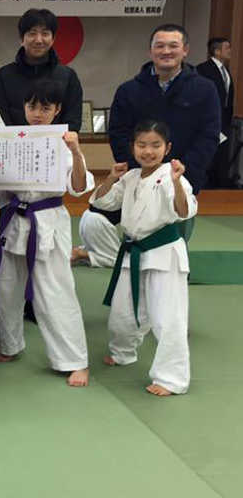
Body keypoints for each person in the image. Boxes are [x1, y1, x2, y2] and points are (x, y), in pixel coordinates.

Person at [0, 80, 93, 387]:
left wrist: (76, 151)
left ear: (57, 110)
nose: (37, 113)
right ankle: (10, 345)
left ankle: (75, 360)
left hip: (48, 221)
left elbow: (78, 187)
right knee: (7, 288)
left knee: (55, 291)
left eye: (45, 108)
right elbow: (1, 191)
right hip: (15, 220)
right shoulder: (11, 140)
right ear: (24, 107)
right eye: (32, 106)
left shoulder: (64, 143)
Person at [90, 120, 197, 396]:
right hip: (134, 251)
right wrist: (111, 177)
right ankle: (123, 352)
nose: (148, 151)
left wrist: (177, 183)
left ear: (167, 148)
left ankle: (171, 378)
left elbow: (183, 211)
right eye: (142, 145)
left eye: (155, 145)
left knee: (167, 318)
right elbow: (101, 202)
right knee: (122, 312)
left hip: (164, 253)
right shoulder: (130, 177)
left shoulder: (171, 176)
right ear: (133, 147)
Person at [108, 23, 220, 241]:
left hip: (184, 178)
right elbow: (118, 133)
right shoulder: (128, 90)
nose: (166, 51)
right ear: (150, 51)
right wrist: (137, 170)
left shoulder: (205, 89)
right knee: (136, 238)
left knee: (175, 244)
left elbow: (209, 136)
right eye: (159, 46)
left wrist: (183, 174)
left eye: (173, 46)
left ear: (185, 50)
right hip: (139, 177)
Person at [0, 8, 83, 132]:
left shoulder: (68, 77)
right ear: (21, 39)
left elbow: (73, 121)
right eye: (32, 33)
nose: (38, 40)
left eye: (45, 34)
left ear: (53, 39)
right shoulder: (1, 77)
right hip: (13, 143)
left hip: (56, 143)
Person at [196, 37, 234, 188]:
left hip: (224, 123)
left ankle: (219, 189)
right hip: (209, 122)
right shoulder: (203, 70)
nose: (230, 51)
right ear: (217, 51)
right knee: (209, 159)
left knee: (221, 159)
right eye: (227, 48)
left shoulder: (226, 70)